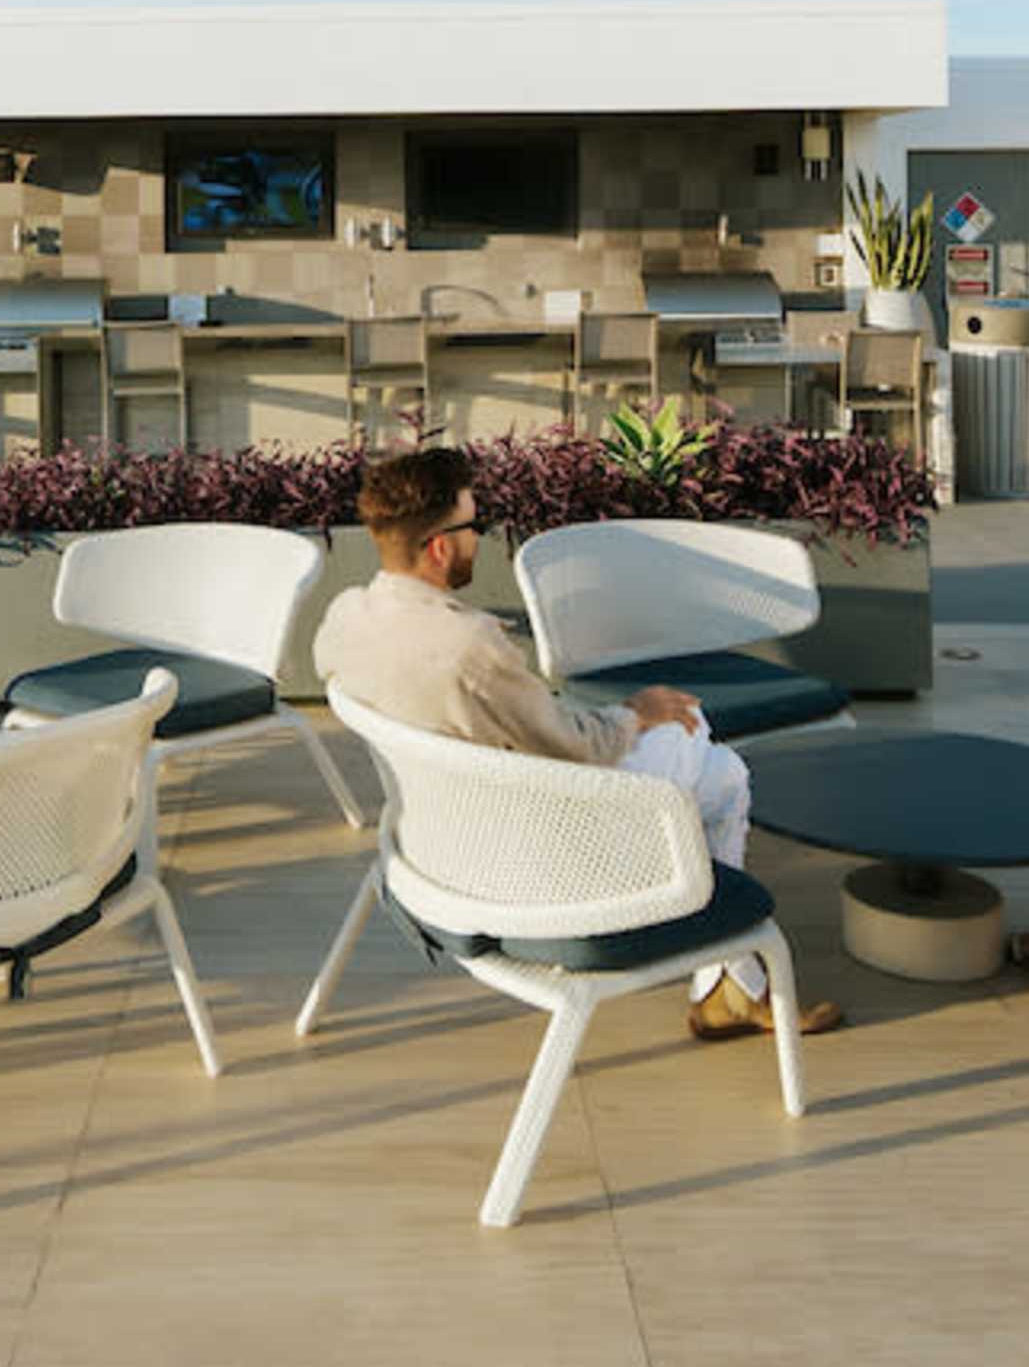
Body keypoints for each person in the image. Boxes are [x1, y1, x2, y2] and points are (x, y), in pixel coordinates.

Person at [314, 447, 841, 1042]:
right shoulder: (468, 648)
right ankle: (729, 985)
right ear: (440, 547)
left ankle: (733, 986)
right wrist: (638, 711)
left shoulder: (345, 620)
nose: (478, 540)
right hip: (539, 862)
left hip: (436, 841)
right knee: (709, 753)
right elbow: (575, 750)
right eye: (474, 526)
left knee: (716, 771)